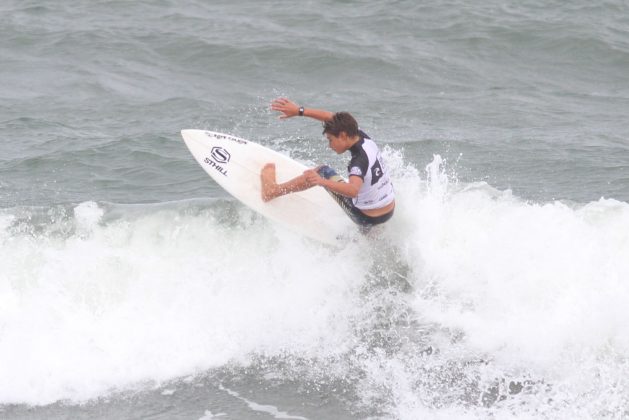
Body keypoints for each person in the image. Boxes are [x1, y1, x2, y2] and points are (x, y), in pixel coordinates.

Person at [261, 98, 395, 228]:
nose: (329, 145)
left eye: (330, 140)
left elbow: (353, 190)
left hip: (366, 218)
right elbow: (331, 117)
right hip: (389, 210)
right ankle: (371, 232)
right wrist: (299, 111)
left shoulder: (358, 161)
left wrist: (321, 181)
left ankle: (272, 191)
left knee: (323, 171)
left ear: (343, 135)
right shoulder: (360, 136)